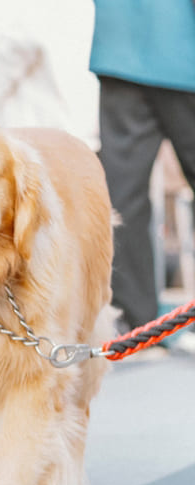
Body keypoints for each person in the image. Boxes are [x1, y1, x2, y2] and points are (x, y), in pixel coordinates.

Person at [89, 0, 195, 333]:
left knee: (124, 192)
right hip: (183, 44)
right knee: (123, 192)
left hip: (121, 43)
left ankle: (137, 320)